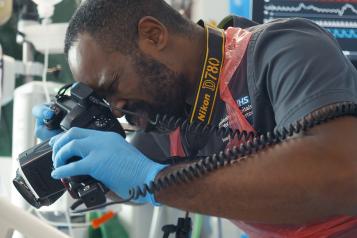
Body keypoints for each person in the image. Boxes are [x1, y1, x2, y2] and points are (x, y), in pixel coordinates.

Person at [32, 0, 357, 237]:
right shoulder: (169, 116)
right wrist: (70, 160)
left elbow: (340, 173)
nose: (116, 108)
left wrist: (156, 181)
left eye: (112, 85)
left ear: (153, 35)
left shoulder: (285, 48)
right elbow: (124, 183)